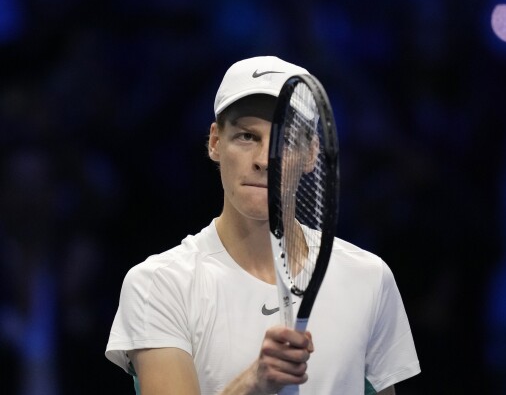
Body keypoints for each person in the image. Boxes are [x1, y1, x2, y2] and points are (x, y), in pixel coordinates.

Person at [105, 56, 420, 395]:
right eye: (246, 136)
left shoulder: (369, 278)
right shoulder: (159, 284)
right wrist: (254, 383)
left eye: (285, 141)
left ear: (312, 153)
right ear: (214, 142)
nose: (262, 160)